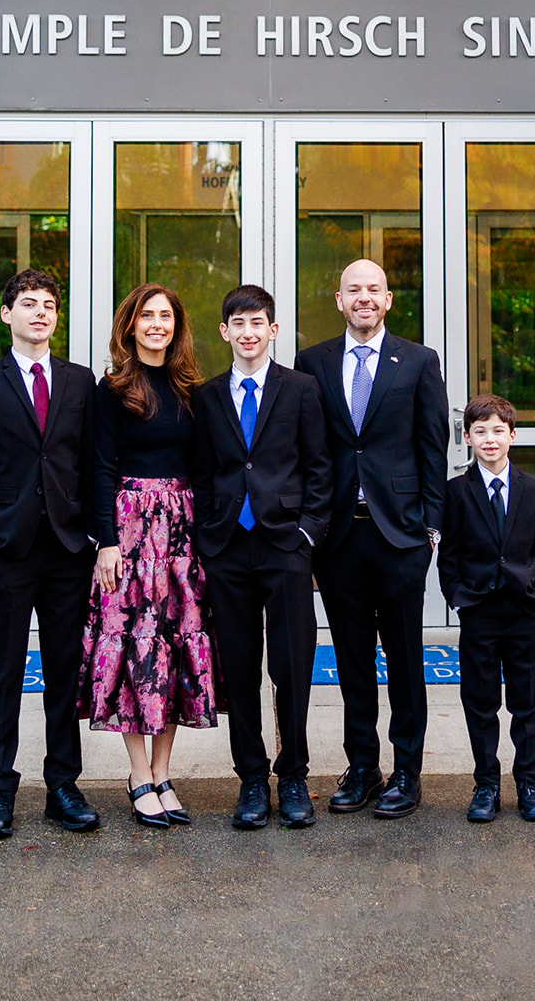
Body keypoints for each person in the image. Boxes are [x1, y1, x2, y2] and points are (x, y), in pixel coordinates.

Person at [296, 258, 449, 819]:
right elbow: (306, 450)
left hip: (401, 535)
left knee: (405, 659)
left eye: (374, 289)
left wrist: (431, 527)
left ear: (388, 300)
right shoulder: (311, 364)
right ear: (338, 300)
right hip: (338, 538)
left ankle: (407, 770)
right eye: (353, 289)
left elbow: (433, 447)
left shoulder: (417, 361)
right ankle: (362, 765)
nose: (364, 297)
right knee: (352, 658)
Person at [0, 267, 100, 841]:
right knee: (3, 673)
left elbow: (90, 464)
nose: (40, 312)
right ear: (6, 314)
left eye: (48, 305)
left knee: (65, 674)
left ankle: (63, 785)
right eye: (29, 303)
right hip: (10, 553)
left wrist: (92, 533)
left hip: (68, 550)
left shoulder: (79, 381)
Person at [76, 283, 219, 829]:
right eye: (146, 316)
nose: (156, 324)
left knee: (178, 650)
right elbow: (100, 468)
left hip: (181, 535)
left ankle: (163, 772)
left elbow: (203, 468)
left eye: (165, 316)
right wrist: (107, 542)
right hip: (130, 536)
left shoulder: (191, 389)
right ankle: (137, 774)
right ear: (130, 325)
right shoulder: (110, 389)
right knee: (136, 651)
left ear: (177, 326)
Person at [191, 285, 332, 830]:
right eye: (238, 324)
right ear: (224, 332)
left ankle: (293, 774)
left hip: (286, 546)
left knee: (292, 666)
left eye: (258, 323)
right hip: (228, 547)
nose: (248, 333)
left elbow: (320, 466)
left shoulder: (300, 389)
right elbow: (201, 473)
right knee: (240, 666)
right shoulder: (205, 398)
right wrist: (208, 536)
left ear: (273, 330)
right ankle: (251, 778)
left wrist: (307, 533)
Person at [438, 394, 535, 825]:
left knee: (526, 701)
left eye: (497, 431)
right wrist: (458, 596)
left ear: (513, 435)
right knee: (480, 700)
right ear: (467, 438)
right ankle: (486, 782)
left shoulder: (534, 489)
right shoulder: (456, 492)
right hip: (479, 611)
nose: (489, 439)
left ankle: (528, 781)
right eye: (480, 431)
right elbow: (448, 556)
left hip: (524, 612)